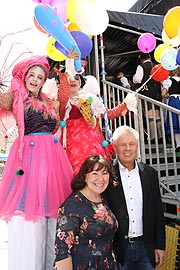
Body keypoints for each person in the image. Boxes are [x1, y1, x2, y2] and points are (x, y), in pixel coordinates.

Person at [0, 55, 73, 270]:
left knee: (53, 216)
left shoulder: (48, 102)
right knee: (31, 218)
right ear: (24, 77)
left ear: (43, 81)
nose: (35, 79)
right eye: (31, 75)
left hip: (52, 161)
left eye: (40, 77)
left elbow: (65, 96)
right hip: (29, 159)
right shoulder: (15, 97)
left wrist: (67, 68)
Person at [55, 48, 137, 176]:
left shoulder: (89, 99)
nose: (73, 81)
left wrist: (125, 105)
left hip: (92, 144)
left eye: (77, 78)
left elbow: (107, 114)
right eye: (70, 79)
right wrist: (70, 62)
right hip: (72, 146)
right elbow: (64, 92)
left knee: (95, 173)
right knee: (77, 175)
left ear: (81, 82)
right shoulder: (63, 102)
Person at [105, 125, 166, 270]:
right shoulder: (106, 174)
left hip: (146, 248)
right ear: (114, 147)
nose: (127, 149)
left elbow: (158, 212)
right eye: (122, 145)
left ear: (137, 146)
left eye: (131, 144)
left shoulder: (149, 173)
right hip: (118, 250)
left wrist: (160, 246)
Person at [54, 154, 119, 270]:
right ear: (84, 177)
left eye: (104, 173)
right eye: (95, 173)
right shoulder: (72, 205)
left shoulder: (104, 199)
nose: (101, 179)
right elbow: (62, 251)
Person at [133, 52, 163, 142]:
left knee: (150, 115)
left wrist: (134, 78)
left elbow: (137, 79)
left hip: (147, 93)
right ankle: (161, 136)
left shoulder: (141, 67)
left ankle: (153, 137)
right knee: (157, 115)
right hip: (157, 93)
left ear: (142, 59)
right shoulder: (157, 67)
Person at [161, 67, 180, 153]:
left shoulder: (169, 81)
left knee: (175, 121)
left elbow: (163, 93)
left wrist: (167, 96)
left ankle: (178, 145)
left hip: (174, 101)